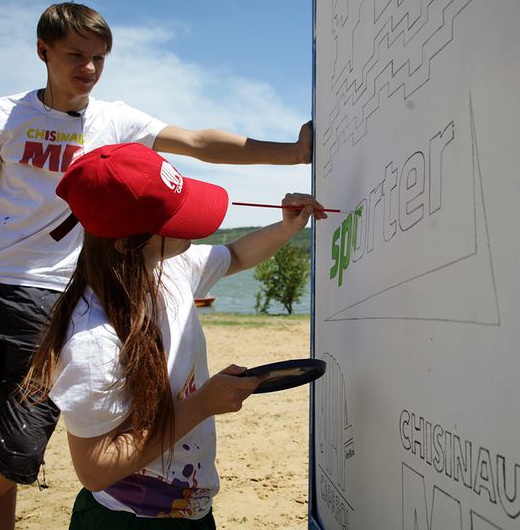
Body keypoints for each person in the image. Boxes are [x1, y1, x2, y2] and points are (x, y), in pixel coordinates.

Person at [0, 2, 311, 530]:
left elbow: (199, 143)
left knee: (14, 452)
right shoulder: (2, 115)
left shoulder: (116, 122)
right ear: (43, 52)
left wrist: (293, 153)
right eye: (76, 55)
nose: (88, 67)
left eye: (99, 58)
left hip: (55, 295)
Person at [24, 142, 325, 528]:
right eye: (174, 219)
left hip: (191, 509)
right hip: (127, 520)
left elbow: (234, 255)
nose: (189, 225)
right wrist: (202, 404)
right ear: (126, 242)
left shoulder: (169, 266)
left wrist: (287, 227)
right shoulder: (91, 341)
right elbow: (95, 468)